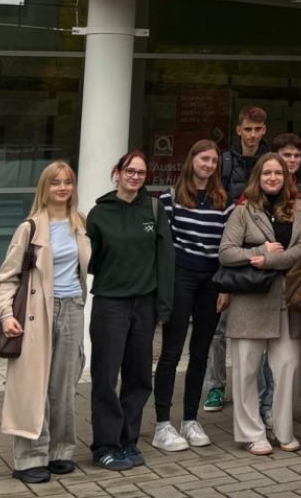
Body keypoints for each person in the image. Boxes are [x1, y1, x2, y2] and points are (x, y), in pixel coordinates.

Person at [0, 162, 90, 485]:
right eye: (55, 182)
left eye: (67, 182)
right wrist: (6, 315)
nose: (62, 188)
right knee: (33, 386)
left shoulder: (80, 224)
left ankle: (60, 451)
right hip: (37, 312)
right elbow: (6, 277)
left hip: (72, 308)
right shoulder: (30, 228)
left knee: (64, 386)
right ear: (44, 188)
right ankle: (30, 458)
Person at [218, 153, 301, 456]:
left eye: (278, 173)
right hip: (251, 300)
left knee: (289, 367)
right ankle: (251, 433)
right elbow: (226, 252)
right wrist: (258, 251)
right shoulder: (243, 211)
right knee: (246, 369)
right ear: (258, 177)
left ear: (287, 177)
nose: (272, 178)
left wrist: (270, 260)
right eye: (267, 173)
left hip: (289, 299)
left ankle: (284, 430)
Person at [87, 151, 174, 470]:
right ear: (118, 173)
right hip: (110, 303)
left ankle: (128, 441)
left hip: (145, 304)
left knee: (138, 377)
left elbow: (165, 258)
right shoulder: (99, 213)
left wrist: (164, 304)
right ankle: (105, 445)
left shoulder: (153, 209)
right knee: (106, 376)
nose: (135, 177)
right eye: (130, 171)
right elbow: (91, 259)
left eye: (141, 172)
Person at [153, 140, 234, 452]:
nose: (209, 164)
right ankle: (162, 424)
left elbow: (227, 247)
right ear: (192, 160)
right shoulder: (170, 198)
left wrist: (225, 286)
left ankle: (190, 419)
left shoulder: (223, 201)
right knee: (171, 351)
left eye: (214, 160)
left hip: (211, 280)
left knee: (201, 352)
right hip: (180, 278)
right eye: (204, 158)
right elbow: (163, 245)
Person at [203, 106, 269, 415]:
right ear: (239, 130)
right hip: (228, 248)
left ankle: (258, 389)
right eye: (248, 129)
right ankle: (215, 385)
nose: (253, 135)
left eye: (258, 129)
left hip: (262, 250)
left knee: (262, 327)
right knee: (219, 324)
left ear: (264, 130)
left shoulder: (271, 161)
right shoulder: (224, 162)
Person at [271, 132, 301, 205]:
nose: (292, 160)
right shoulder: (264, 187)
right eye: (287, 155)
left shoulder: (300, 190)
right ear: (274, 156)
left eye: (297, 156)